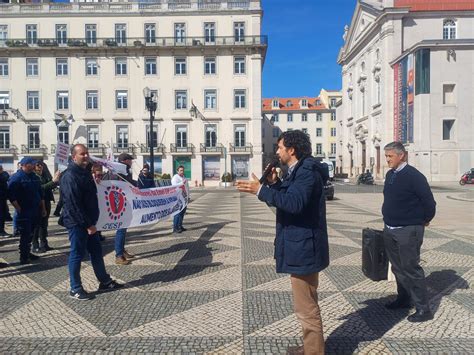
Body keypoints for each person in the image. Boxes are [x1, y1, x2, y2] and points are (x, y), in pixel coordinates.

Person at [237, 130, 329, 355]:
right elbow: (291, 196)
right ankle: (309, 347)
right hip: (302, 244)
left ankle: (314, 352)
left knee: (306, 307)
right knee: (306, 303)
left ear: (291, 150)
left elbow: (295, 203)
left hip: (304, 247)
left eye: (279, 147)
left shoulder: (306, 171)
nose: (277, 151)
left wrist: (261, 190)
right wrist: (276, 184)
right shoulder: (298, 170)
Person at [60, 144, 123, 300]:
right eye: (82, 154)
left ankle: (104, 281)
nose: (86, 156)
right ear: (74, 156)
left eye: (87, 153)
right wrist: (87, 225)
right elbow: (73, 204)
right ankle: (75, 288)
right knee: (77, 254)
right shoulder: (69, 176)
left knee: (96, 252)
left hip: (90, 223)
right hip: (77, 223)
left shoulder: (86, 172)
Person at [382, 141, 436, 322]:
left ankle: (423, 309)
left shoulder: (414, 176)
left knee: (411, 268)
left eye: (390, 156)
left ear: (401, 155)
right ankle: (404, 298)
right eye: (386, 156)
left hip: (408, 230)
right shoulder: (390, 174)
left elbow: (429, 202)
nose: (387, 160)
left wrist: (423, 220)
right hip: (390, 228)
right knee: (397, 267)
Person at [7, 157, 46, 264]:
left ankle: (28, 252)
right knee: (25, 234)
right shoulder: (16, 177)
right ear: (25, 164)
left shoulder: (34, 176)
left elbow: (40, 193)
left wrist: (43, 208)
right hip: (24, 211)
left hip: (35, 210)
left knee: (31, 233)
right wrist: (18, 208)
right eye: (32, 164)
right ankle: (23, 257)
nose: (34, 166)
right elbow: (11, 195)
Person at [103, 152, 136, 265]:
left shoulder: (123, 170)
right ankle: (119, 255)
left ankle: (121, 250)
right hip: (119, 203)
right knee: (121, 228)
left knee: (123, 228)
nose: (131, 162)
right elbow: (123, 184)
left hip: (124, 202)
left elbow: (129, 183)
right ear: (125, 161)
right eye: (130, 160)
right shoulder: (119, 170)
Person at [32, 161, 60, 253]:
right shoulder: (34, 177)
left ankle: (44, 244)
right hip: (37, 202)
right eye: (37, 165)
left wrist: (56, 179)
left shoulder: (44, 175)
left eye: (42, 165)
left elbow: (51, 186)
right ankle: (35, 245)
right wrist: (52, 182)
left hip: (46, 201)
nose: (40, 167)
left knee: (44, 224)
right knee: (37, 225)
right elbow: (40, 188)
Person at [171, 165, 189, 233]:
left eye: (183, 170)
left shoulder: (184, 177)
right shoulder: (175, 178)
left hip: (184, 198)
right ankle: (175, 228)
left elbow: (187, 187)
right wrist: (182, 183)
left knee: (182, 213)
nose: (182, 171)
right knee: (177, 213)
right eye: (181, 170)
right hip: (178, 198)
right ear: (177, 171)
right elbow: (174, 186)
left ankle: (180, 226)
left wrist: (188, 196)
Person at [91, 164, 105, 241]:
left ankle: (98, 234)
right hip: (92, 205)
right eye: (98, 175)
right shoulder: (90, 181)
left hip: (100, 204)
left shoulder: (102, 181)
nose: (99, 177)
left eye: (101, 175)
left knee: (99, 219)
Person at [0, 165, 11, 238]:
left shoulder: (4, 174)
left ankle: (2, 231)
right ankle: (1, 231)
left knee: (3, 215)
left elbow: (8, 178)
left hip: (3, 198)